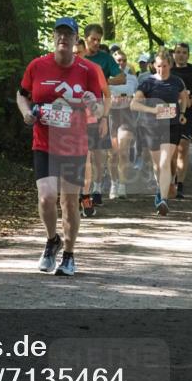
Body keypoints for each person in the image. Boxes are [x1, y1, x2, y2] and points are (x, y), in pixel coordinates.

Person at [17, 17, 105, 276]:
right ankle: (51, 240)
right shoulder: (37, 66)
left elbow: (99, 109)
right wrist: (26, 113)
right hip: (43, 142)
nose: (63, 38)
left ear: (76, 39)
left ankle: (68, 254)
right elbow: (22, 94)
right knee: (45, 197)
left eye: (68, 34)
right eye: (59, 34)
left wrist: (92, 103)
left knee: (69, 201)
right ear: (53, 37)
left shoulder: (87, 70)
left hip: (73, 144)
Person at [130, 49, 187, 216]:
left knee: (164, 161)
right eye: (159, 66)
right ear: (154, 66)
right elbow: (134, 105)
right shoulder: (147, 83)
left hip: (172, 126)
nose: (162, 69)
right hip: (152, 128)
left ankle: (163, 200)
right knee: (157, 166)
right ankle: (161, 190)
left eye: (165, 65)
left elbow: (184, 98)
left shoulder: (177, 81)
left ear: (170, 65)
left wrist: (182, 113)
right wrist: (152, 110)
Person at [80, 24, 125, 206]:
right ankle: (84, 191)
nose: (96, 43)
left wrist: (104, 81)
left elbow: (122, 77)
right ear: (85, 38)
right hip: (78, 110)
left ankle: (97, 189)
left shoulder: (105, 58)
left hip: (98, 109)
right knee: (83, 153)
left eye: (99, 40)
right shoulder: (77, 56)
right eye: (93, 39)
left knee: (98, 152)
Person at [169, 42, 192, 200]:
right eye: (178, 52)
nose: (181, 55)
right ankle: (171, 179)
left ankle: (180, 184)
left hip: (188, 114)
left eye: (184, 52)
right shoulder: (168, 70)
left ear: (188, 55)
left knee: (183, 147)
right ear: (173, 54)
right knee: (172, 151)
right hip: (169, 114)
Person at [107, 50, 138, 199]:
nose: (121, 63)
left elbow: (138, 96)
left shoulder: (132, 78)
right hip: (112, 116)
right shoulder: (107, 77)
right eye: (118, 60)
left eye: (124, 60)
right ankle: (113, 183)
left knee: (124, 152)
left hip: (127, 116)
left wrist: (133, 99)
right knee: (113, 154)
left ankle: (123, 185)